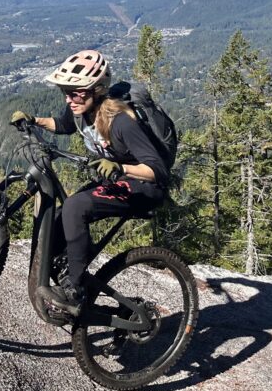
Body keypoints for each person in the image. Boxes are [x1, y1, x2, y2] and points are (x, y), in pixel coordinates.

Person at [10, 50, 169, 314]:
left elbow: (158, 170)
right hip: (117, 181)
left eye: (75, 93)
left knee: (75, 207)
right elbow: (63, 125)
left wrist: (120, 167)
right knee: (60, 217)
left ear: (97, 90)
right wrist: (33, 121)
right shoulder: (81, 110)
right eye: (65, 92)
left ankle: (76, 290)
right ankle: (67, 271)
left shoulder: (121, 123)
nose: (69, 99)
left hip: (144, 187)